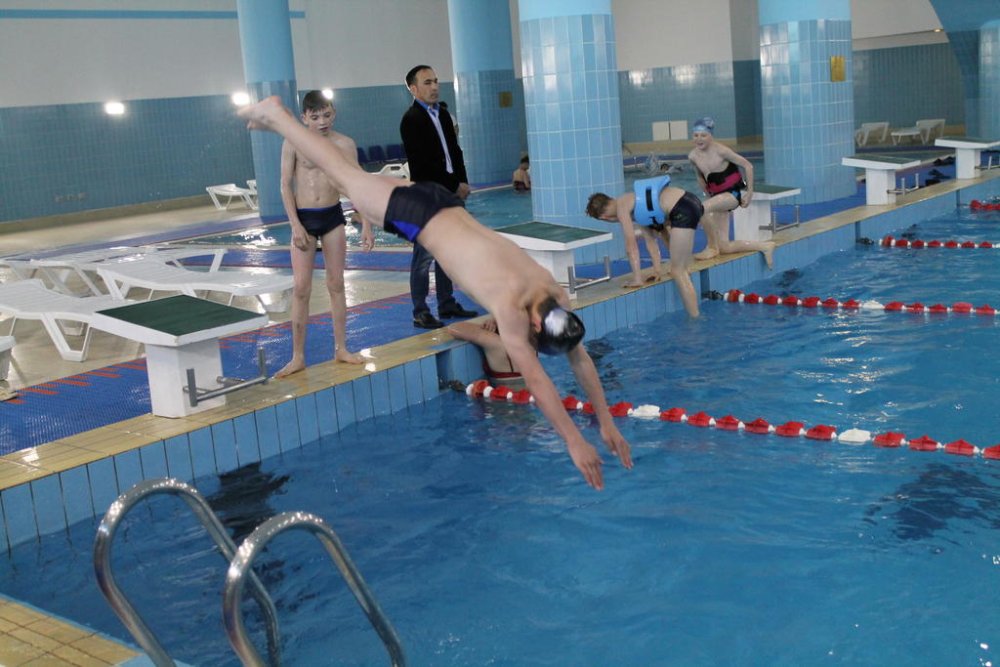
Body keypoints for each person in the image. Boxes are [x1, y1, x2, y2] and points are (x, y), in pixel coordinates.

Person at [239, 96, 632, 490]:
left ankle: (276, 121)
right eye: (534, 338)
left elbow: (579, 357)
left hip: (442, 203)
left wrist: (606, 422)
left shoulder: (553, 293)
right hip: (418, 217)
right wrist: (573, 440)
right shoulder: (512, 311)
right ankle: (278, 116)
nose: (529, 339)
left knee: (345, 179)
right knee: (341, 173)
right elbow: (538, 382)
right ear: (535, 324)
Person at [275, 91, 375, 378]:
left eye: (327, 115)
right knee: (301, 288)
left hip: (332, 217)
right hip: (304, 218)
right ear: (304, 118)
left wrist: (366, 224)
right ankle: (297, 357)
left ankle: (341, 348)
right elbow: (284, 184)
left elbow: (357, 184)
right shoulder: (293, 142)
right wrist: (295, 224)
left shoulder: (344, 144)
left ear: (334, 113)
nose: (322, 121)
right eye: (316, 117)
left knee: (336, 284)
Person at [399, 64, 478, 329]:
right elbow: (423, 164)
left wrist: (462, 181)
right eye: (427, 83)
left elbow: (455, 152)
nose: (434, 87)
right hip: (428, 194)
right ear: (413, 89)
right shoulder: (411, 120)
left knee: (449, 252)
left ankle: (446, 302)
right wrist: (454, 184)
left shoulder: (443, 114)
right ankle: (420, 310)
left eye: (435, 81)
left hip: (452, 191)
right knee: (424, 255)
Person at [586, 174, 703, 317]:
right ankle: (688, 281)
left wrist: (637, 279)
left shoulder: (622, 206)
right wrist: (657, 270)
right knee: (680, 267)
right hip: (690, 201)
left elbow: (631, 246)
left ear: (604, 218)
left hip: (681, 209)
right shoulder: (639, 206)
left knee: (678, 272)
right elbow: (652, 242)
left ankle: (695, 319)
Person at [686, 116, 775, 266]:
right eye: (695, 135)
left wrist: (749, 193)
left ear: (711, 135)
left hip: (733, 194)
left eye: (703, 135)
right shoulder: (693, 156)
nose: (699, 139)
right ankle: (765, 246)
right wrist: (708, 195)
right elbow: (700, 176)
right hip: (718, 197)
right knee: (725, 247)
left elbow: (748, 166)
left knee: (700, 208)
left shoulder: (721, 151)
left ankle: (711, 247)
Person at [448, 317, 526, 390]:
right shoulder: (529, 343)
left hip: (500, 396)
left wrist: (487, 325)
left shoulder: (495, 342)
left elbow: (453, 328)